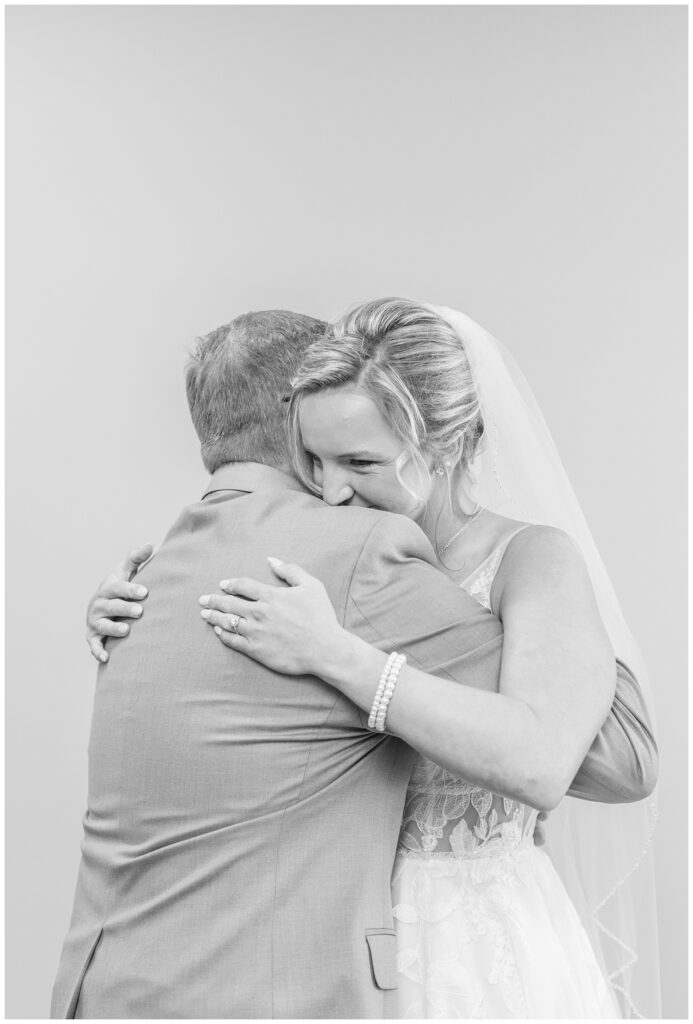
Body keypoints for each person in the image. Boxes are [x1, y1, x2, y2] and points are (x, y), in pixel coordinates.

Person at [84, 301, 659, 1018]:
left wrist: (340, 657)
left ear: (446, 447)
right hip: (339, 945)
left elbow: (553, 763)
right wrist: (139, 604)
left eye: (359, 462)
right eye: (312, 461)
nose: (329, 491)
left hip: (475, 942)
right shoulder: (329, 553)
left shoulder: (531, 560)